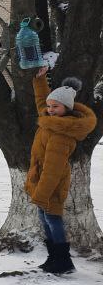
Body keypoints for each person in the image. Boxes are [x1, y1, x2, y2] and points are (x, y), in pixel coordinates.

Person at [27, 66, 96, 274]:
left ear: (66, 108)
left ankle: (64, 261)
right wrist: (40, 81)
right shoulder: (52, 121)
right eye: (50, 106)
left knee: (53, 220)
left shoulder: (61, 133)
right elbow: (42, 102)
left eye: (55, 106)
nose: (49, 109)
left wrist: (42, 194)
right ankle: (53, 258)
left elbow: (53, 169)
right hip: (42, 183)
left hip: (52, 185)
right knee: (45, 219)